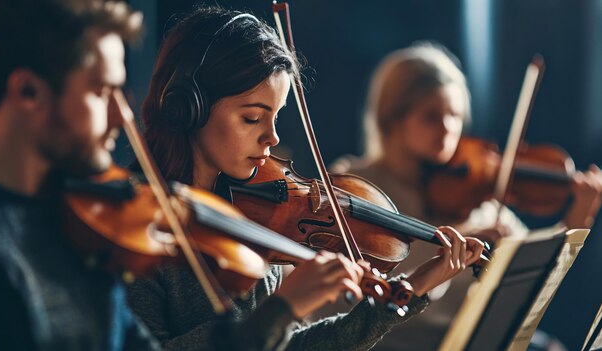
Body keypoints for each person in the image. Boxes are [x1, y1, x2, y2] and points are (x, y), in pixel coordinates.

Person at [126, 6, 484, 351]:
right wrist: (281, 307)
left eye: (276, 117)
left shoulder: (255, 214)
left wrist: (412, 287)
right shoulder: (135, 226)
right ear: (189, 107)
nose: (273, 137)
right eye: (252, 118)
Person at [331, 43, 602, 350]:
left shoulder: (472, 185)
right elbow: (353, 286)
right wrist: (454, 245)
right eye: (431, 117)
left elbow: (532, 261)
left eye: (455, 116)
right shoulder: (355, 184)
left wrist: (575, 220)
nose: (448, 129)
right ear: (392, 119)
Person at [0, 0, 163, 350]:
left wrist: (275, 316)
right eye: (102, 91)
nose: (122, 117)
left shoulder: (78, 221)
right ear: (28, 92)